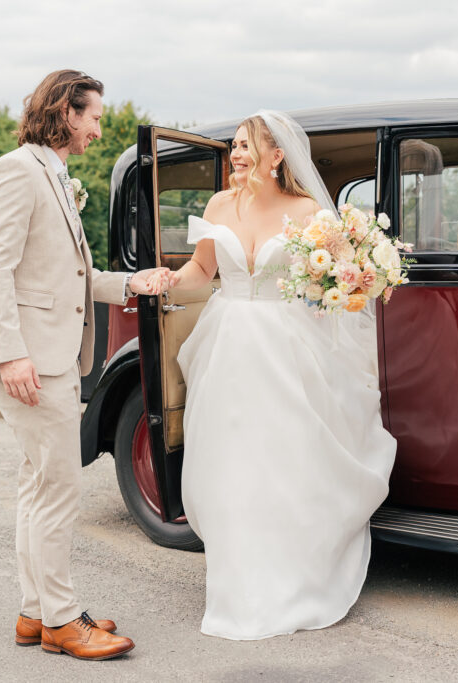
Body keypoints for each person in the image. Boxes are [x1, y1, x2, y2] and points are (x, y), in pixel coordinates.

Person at [153, 111, 397, 640]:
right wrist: (167, 280)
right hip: (228, 342)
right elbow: (202, 272)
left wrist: (350, 280)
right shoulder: (219, 205)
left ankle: (294, 580)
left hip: (286, 344)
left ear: (278, 154)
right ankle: (236, 583)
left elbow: (331, 278)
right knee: (230, 460)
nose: (236, 154)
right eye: (235, 145)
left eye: (246, 146)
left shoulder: (308, 210)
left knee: (285, 459)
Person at [0, 69, 164, 661]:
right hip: (30, 357)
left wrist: (134, 281)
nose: (99, 128)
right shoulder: (15, 172)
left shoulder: (56, 177)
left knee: (39, 481)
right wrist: (13, 354)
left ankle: (35, 614)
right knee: (60, 485)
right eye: (95, 117)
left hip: (49, 354)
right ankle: (61, 620)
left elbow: (71, 278)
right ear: (67, 112)